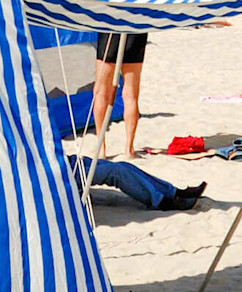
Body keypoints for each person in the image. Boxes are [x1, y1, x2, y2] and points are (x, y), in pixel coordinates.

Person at [67, 155, 204, 210]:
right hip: (62, 173)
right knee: (116, 171)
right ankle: (161, 202)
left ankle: (173, 192)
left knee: (123, 165)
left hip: (66, 163)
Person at [89, 32, 148, 158]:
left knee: (101, 93)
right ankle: (129, 149)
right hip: (136, 28)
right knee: (131, 95)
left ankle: (101, 148)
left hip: (111, 28)